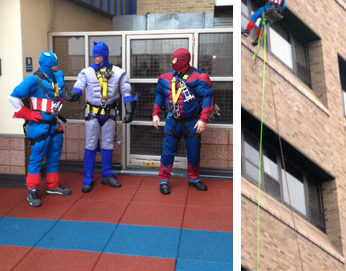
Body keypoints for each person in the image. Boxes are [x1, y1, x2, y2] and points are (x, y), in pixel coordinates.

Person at [64, 41, 136, 193]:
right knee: (90, 145)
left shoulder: (118, 72)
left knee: (108, 144)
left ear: (105, 55)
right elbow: (79, 86)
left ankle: (107, 175)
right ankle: (88, 179)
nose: (96, 58)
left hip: (109, 113)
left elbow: (126, 92)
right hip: (92, 113)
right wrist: (74, 95)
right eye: (95, 55)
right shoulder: (86, 72)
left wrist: (129, 111)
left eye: (99, 55)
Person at [9, 51, 71, 207]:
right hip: (39, 126)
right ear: (49, 64)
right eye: (56, 62)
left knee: (54, 155)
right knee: (36, 158)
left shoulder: (56, 78)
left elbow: (59, 96)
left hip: (54, 124)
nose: (58, 64)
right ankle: (32, 190)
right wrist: (28, 114)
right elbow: (13, 98)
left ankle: (53, 185)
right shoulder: (32, 80)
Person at [152, 48, 213, 194]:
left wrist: (203, 119)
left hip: (192, 122)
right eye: (172, 59)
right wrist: (155, 114)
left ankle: (194, 178)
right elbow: (160, 96)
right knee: (168, 151)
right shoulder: (165, 78)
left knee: (194, 151)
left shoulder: (200, 77)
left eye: (176, 60)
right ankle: (163, 180)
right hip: (172, 120)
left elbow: (207, 98)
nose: (173, 62)